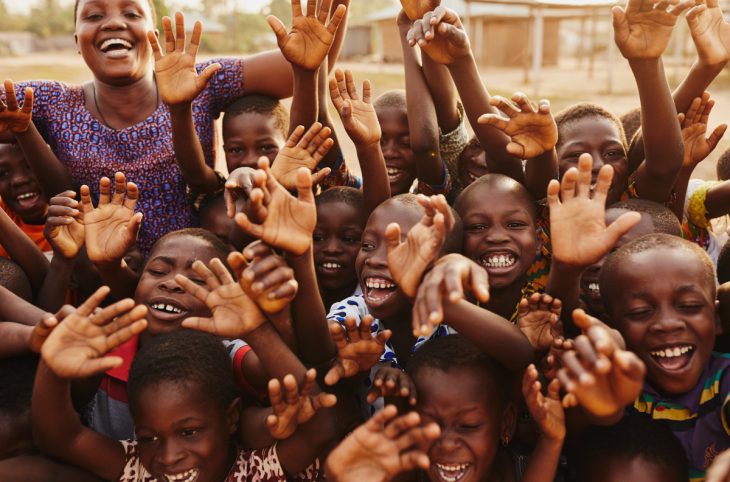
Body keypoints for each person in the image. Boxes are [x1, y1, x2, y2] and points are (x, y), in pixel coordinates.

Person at [0, 0, 334, 254]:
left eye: (131, 13)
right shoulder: (51, 100)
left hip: (197, 272)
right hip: (104, 277)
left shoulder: (198, 82)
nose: (114, 22)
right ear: (76, 39)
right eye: (94, 15)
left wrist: (320, 43)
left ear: (153, 35)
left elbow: (306, 59)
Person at [32, 290, 336, 481]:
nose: (168, 455)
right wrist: (52, 368)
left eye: (188, 432)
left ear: (231, 417)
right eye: (149, 437)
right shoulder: (137, 467)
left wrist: (256, 331)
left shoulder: (260, 468)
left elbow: (321, 424)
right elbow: (62, 440)